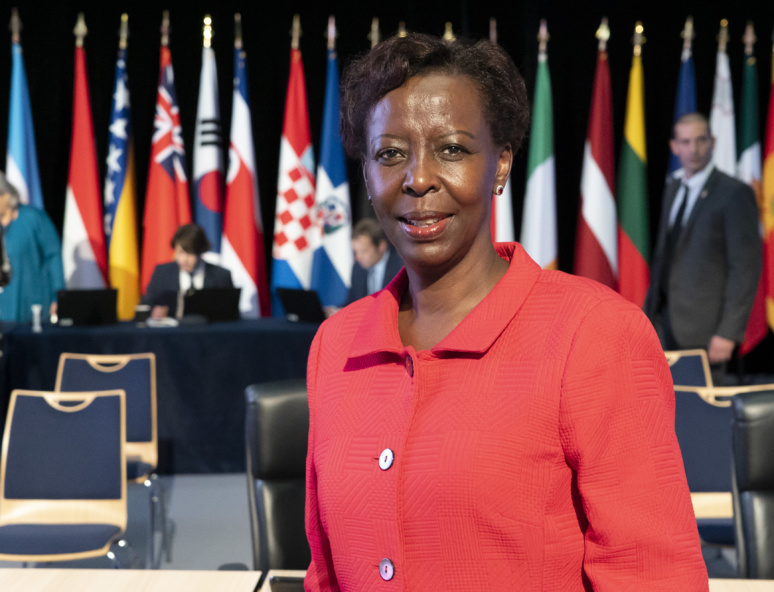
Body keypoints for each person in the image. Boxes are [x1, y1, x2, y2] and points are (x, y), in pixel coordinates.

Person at [303, 33, 707, 590]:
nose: (418, 178)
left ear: (501, 166)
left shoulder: (594, 334)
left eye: (452, 149)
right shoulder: (336, 346)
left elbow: (654, 576)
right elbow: (326, 573)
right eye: (390, 153)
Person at [644, 113, 761, 365]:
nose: (693, 149)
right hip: (662, 325)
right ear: (674, 146)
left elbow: (745, 269)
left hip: (706, 333)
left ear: (713, 142)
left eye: (700, 140)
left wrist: (728, 333)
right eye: (685, 142)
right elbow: (664, 257)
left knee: (703, 403)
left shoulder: (734, 193)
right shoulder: (672, 187)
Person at [0, 172, 64, 323]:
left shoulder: (33, 218)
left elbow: (53, 255)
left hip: (34, 306)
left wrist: (58, 296)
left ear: (7, 196)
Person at [143, 223, 233, 319]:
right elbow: (146, 305)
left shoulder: (221, 276)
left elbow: (230, 314)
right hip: (172, 333)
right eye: (180, 252)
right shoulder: (161, 273)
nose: (183, 260)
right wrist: (154, 311)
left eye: (190, 253)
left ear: (201, 251)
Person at [346, 218, 404, 305]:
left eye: (364, 251)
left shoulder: (401, 268)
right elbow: (352, 302)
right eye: (356, 252)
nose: (358, 257)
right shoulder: (357, 268)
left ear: (381, 246)